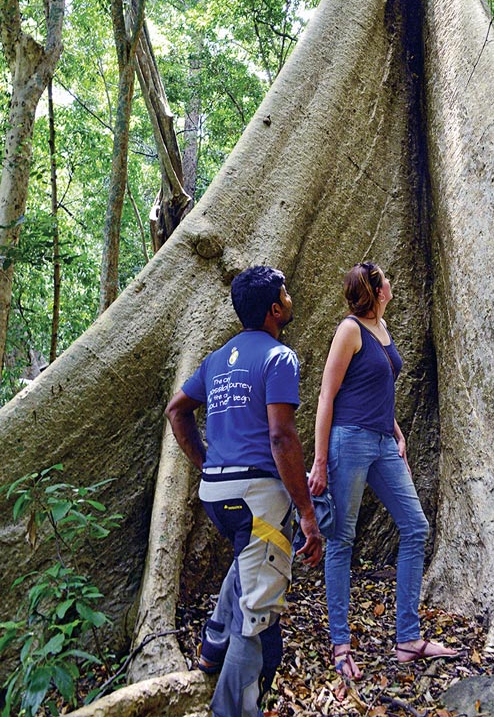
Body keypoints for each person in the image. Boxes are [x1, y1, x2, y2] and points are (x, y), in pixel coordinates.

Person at [166, 265, 322, 717]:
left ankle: (212, 644)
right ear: (275, 309)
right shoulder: (279, 358)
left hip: (217, 494)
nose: (290, 297)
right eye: (286, 293)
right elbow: (281, 438)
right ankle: (231, 708)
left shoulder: (217, 359)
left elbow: (178, 410)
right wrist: (307, 514)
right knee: (258, 618)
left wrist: (206, 463)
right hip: (257, 497)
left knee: (248, 559)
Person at [308, 261, 457, 685]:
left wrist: (394, 430)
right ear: (374, 289)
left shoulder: (382, 329)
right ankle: (341, 646)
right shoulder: (350, 330)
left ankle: (407, 638)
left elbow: (374, 387)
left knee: (415, 527)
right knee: (342, 539)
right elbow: (327, 395)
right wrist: (320, 461)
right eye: (385, 278)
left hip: (382, 442)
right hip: (348, 441)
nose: (391, 281)